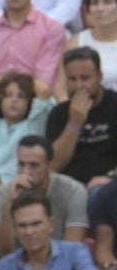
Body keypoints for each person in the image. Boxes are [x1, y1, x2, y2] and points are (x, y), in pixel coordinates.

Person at [47, 47, 117, 188]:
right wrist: (75, 122)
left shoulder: (114, 104)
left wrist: (111, 178)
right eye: (72, 79)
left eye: (85, 78)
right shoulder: (58, 113)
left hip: (109, 185)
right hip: (68, 186)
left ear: (100, 76)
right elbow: (53, 165)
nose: (79, 85)